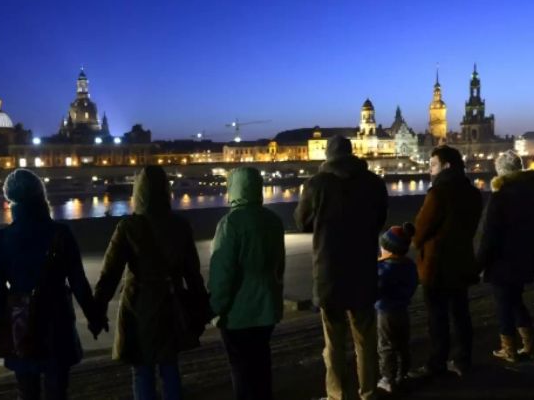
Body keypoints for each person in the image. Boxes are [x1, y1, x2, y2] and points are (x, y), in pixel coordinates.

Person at [0, 169, 102, 400]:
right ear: (40, 195)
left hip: (21, 321)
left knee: (27, 390)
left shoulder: (3, 237)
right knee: (57, 389)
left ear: (10, 199)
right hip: (57, 318)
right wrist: (95, 316)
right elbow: (78, 281)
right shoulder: (61, 233)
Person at [94, 165, 211, 400]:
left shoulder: (128, 227)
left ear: (138, 193)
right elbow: (193, 273)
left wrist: (97, 310)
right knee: (170, 367)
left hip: (139, 306)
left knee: (141, 369)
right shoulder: (180, 225)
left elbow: (110, 274)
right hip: (172, 303)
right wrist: (202, 306)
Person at [295, 135, 388, 400]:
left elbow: (302, 222)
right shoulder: (373, 183)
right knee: (365, 339)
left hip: (329, 271)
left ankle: (337, 394)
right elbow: (379, 218)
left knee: (333, 342)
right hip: (363, 269)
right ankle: (368, 391)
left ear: (328, 155)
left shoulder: (317, 184)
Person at [209, 167, 285, 400]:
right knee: (261, 364)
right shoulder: (273, 220)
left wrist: (215, 307)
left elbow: (222, 272)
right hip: (267, 307)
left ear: (233, 188)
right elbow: (279, 266)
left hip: (238, 314)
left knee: (241, 370)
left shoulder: (229, 223)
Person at [412, 145, 482, 378]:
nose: (429, 170)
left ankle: (437, 362)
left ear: (446, 166)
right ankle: (464, 360)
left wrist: (416, 240)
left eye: (433, 165)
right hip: (461, 260)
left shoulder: (438, 193)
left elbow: (421, 229)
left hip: (437, 264)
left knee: (437, 317)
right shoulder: (472, 192)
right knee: (461, 313)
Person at [477, 150, 534, 361]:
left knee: (503, 304)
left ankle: (509, 349)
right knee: (516, 300)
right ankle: (530, 343)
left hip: (502, 260)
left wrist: (479, 263)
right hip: (525, 256)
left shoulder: (500, 198)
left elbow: (490, 235)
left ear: (501, 172)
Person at [375, 224, 419, 394]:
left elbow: (377, 289)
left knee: (386, 345)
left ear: (389, 249)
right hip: (402, 310)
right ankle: (403, 373)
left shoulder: (384, 268)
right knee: (402, 344)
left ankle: (388, 378)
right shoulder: (408, 266)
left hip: (386, 312)